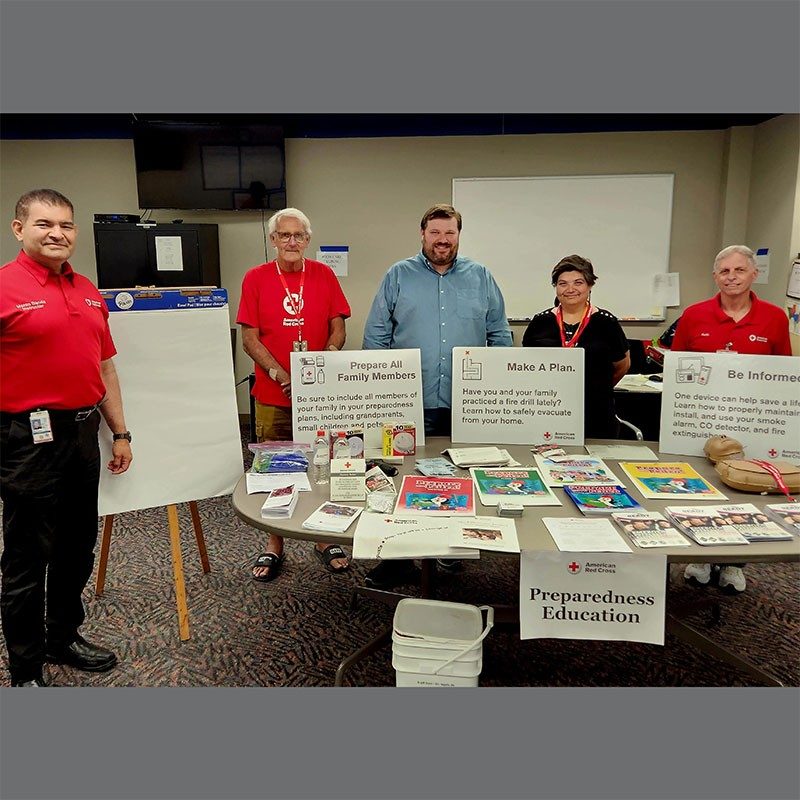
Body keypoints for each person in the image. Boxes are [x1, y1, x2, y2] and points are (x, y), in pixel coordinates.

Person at [1, 189, 133, 687]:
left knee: (77, 545)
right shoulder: (5, 287)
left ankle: (63, 636)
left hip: (82, 432)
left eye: (66, 225)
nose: (57, 233)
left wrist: (120, 431)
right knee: (27, 556)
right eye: (44, 224)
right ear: (19, 229)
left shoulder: (88, 291)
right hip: (25, 439)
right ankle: (27, 669)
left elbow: (104, 366)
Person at [362, 203, 512, 588]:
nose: (442, 240)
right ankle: (397, 557)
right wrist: (379, 391)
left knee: (460, 477)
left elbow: (499, 334)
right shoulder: (399, 274)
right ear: (422, 234)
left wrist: (498, 388)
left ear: (459, 234)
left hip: (467, 402)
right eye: (435, 233)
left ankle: (449, 552)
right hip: (408, 401)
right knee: (399, 476)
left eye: (450, 233)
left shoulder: (481, 277)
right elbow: (377, 335)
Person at [237, 208, 352, 582]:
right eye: (283, 235)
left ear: (307, 240)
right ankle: (275, 542)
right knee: (277, 468)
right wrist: (280, 373)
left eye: (298, 236)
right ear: (273, 240)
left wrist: (324, 363)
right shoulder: (255, 278)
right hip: (273, 393)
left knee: (323, 465)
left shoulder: (324, 274)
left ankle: (321, 537)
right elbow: (249, 338)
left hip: (320, 395)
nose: (291, 242)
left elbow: (338, 328)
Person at [672, 245, 792, 594]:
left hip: (752, 420)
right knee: (700, 490)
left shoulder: (774, 318)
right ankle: (700, 557)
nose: (732, 277)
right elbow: (676, 369)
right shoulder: (694, 315)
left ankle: (735, 564)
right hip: (701, 420)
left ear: (754, 274)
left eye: (739, 270)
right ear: (715, 277)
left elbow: (784, 372)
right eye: (725, 271)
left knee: (744, 492)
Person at [522, 255, 631, 438]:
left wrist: (594, 388)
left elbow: (622, 365)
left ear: (589, 286)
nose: (570, 289)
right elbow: (526, 367)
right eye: (562, 283)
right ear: (556, 287)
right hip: (547, 411)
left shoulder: (606, 323)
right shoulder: (540, 322)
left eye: (578, 283)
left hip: (596, 413)